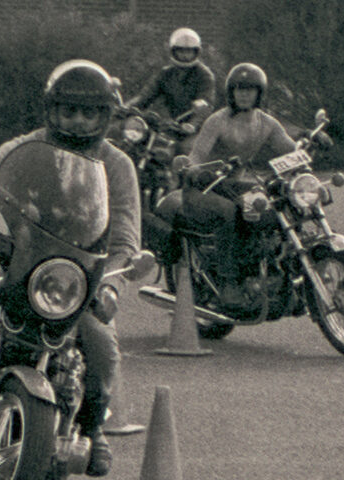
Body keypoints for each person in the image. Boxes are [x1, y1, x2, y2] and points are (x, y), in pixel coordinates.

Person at [0, 59, 141, 477]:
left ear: (105, 116)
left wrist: (112, 286)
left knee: (101, 347)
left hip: (80, 279)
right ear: (51, 110)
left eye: (89, 112)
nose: (78, 121)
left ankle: (93, 430)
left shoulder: (118, 165)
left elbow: (127, 235)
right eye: (69, 110)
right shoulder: (24, 147)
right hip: (23, 262)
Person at [185, 62, 297, 305]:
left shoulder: (266, 122)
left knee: (277, 204)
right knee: (230, 213)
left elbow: (290, 149)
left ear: (260, 93)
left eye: (250, 89)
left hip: (235, 186)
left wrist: (311, 142)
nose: (244, 94)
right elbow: (197, 155)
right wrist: (196, 171)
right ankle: (228, 283)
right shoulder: (218, 121)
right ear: (231, 93)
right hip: (205, 186)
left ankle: (281, 268)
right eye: (239, 89)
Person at [126, 27, 215, 129]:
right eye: (181, 51)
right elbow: (146, 95)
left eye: (189, 51)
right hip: (172, 126)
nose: (185, 55)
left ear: (196, 52)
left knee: (188, 145)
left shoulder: (204, 75)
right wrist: (127, 108)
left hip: (198, 129)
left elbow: (206, 103)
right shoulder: (166, 73)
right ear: (173, 51)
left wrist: (192, 124)